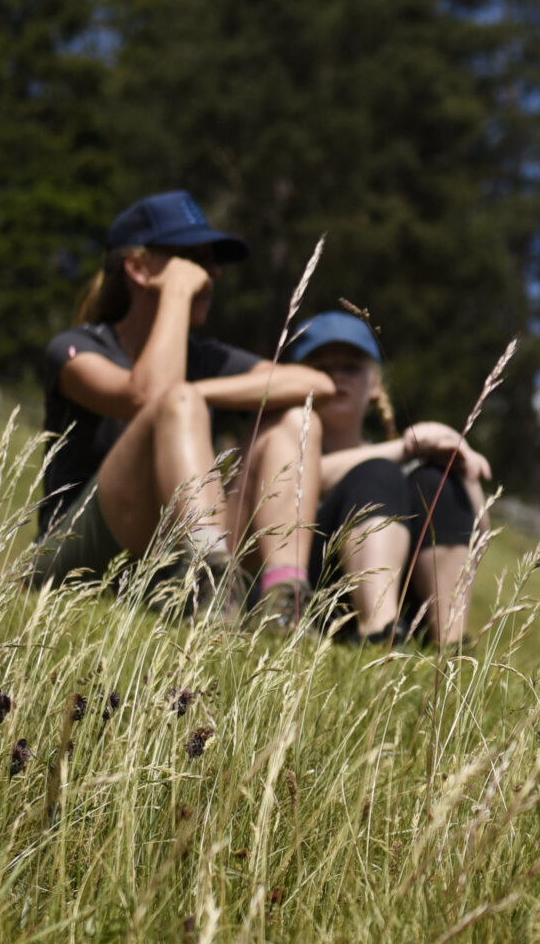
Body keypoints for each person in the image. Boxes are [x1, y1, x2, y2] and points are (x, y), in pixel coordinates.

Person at [31, 190, 331, 625]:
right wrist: (175, 295)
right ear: (137, 267)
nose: (212, 274)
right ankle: (205, 580)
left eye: (214, 262)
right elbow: (147, 395)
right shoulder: (77, 349)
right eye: (192, 259)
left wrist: (201, 392)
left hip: (162, 560)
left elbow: (315, 385)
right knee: (176, 399)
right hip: (76, 561)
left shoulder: (204, 359)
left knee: (295, 418)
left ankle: (284, 602)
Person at [286, 310, 490, 645]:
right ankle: (377, 635)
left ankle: (450, 645)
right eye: (321, 368)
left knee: (433, 482)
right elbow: (304, 481)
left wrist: (463, 466)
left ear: (375, 383)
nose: (336, 377)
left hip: (410, 601)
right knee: (376, 474)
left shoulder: (398, 462)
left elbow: (480, 537)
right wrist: (405, 448)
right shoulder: (280, 448)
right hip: (319, 596)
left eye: (351, 367)